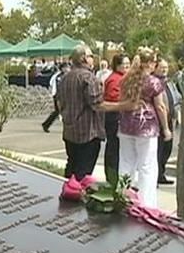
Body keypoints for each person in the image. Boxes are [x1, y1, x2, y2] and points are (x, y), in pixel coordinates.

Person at [56, 45, 137, 181]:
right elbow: (98, 105)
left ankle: (66, 194)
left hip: (69, 131)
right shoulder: (88, 78)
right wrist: (124, 105)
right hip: (88, 133)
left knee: (71, 169)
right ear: (83, 59)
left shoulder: (65, 77)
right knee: (83, 174)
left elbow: (58, 102)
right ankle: (76, 198)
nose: (93, 59)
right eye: (90, 56)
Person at [118, 47, 171, 207]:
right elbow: (160, 106)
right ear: (149, 63)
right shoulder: (153, 82)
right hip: (146, 127)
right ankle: (147, 203)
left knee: (126, 162)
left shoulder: (127, 79)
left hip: (127, 125)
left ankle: (121, 196)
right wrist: (166, 128)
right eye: (154, 61)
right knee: (147, 166)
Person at [103, 54, 131, 182]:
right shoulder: (115, 79)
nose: (126, 66)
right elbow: (114, 97)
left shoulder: (122, 77)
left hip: (118, 115)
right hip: (114, 117)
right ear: (117, 65)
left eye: (128, 64)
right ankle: (112, 177)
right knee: (114, 149)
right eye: (124, 64)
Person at [154, 59, 179, 185]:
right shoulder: (155, 82)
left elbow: (176, 98)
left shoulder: (170, 83)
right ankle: (156, 175)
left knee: (167, 149)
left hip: (170, 118)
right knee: (159, 149)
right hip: (158, 120)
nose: (164, 69)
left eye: (166, 67)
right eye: (162, 67)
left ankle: (161, 173)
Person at [42, 62, 70, 132]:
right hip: (58, 96)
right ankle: (46, 124)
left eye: (68, 67)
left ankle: (46, 124)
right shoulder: (59, 76)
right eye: (66, 67)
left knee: (61, 111)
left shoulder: (67, 75)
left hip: (65, 96)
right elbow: (57, 86)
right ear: (62, 68)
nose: (67, 69)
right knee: (58, 111)